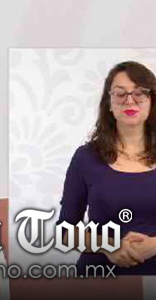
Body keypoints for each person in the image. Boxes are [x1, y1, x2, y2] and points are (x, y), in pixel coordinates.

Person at [58, 60, 156, 275]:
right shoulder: (85, 157)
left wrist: (153, 245)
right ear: (109, 103)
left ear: (151, 101)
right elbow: (64, 232)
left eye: (140, 93)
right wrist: (109, 245)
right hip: (99, 279)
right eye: (120, 94)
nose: (129, 100)